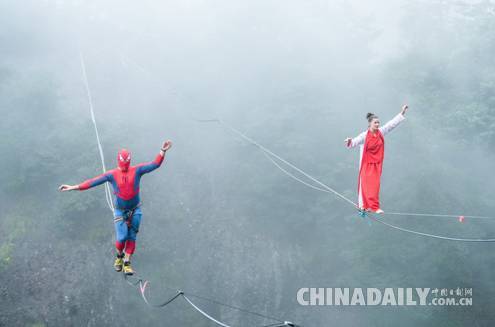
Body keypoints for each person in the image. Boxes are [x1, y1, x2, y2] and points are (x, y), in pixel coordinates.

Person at [59, 140, 172, 275]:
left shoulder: (137, 170)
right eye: (123, 163)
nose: (124, 166)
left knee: (132, 236)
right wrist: (73, 187)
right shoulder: (112, 175)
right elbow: (92, 182)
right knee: (122, 237)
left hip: (135, 209)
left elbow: (155, 164)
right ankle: (119, 256)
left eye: (126, 163)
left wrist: (162, 151)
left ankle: (127, 262)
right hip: (120, 210)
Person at [345, 105, 408, 214]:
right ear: (370, 124)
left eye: (378, 122)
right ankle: (363, 206)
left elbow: (391, 125)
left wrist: (401, 113)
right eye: (375, 123)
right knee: (364, 184)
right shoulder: (365, 135)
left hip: (376, 164)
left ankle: (373, 207)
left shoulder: (381, 132)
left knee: (374, 186)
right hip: (366, 163)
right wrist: (350, 140)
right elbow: (355, 141)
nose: (378, 124)